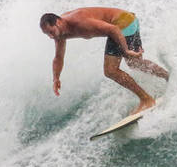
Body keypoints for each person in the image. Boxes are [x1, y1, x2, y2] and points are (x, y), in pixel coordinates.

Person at [40, 7, 169, 114]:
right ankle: (169, 77)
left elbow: (113, 29)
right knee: (135, 64)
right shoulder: (59, 34)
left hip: (123, 23)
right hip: (129, 20)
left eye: (51, 32)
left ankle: (146, 100)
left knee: (110, 70)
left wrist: (126, 50)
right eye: (47, 35)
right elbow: (58, 57)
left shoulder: (79, 21)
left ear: (58, 22)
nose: (51, 37)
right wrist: (56, 78)